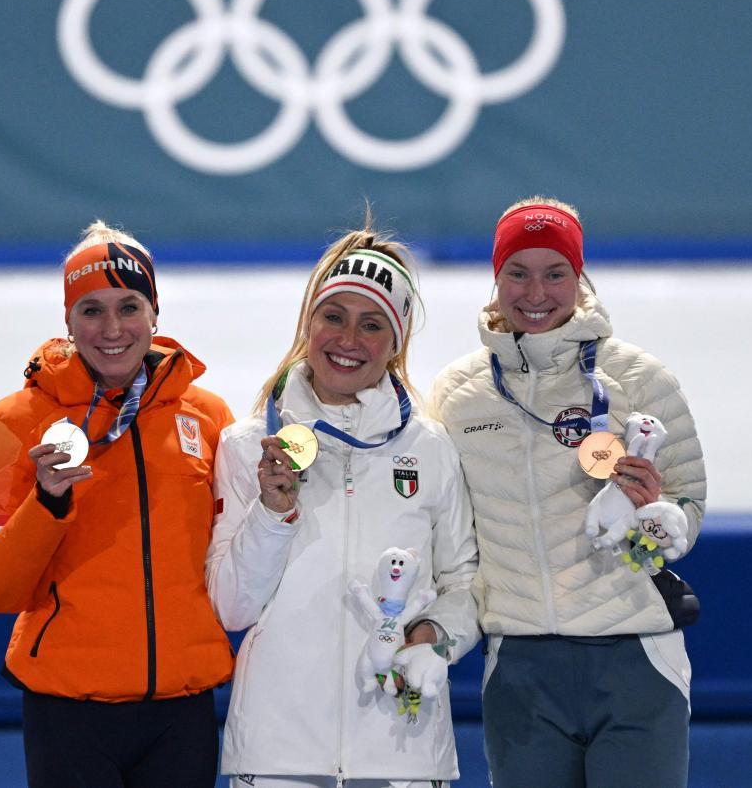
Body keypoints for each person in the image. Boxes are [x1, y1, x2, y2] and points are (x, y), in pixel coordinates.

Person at [430, 197, 707, 788]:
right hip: (521, 664)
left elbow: (688, 501)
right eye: (518, 273)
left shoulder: (638, 378)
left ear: (578, 278)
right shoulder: (457, 394)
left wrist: (660, 517)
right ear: (496, 277)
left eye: (555, 273)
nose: (536, 292)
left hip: (634, 654)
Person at [0, 221, 235, 788]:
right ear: (68, 320)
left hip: (182, 712)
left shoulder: (208, 419)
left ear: (155, 313)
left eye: (129, 307)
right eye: (91, 310)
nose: (112, 329)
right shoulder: (13, 425)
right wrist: (46, 502)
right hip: (69, 715)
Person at [206, 223, 480, 787]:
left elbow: (466, 581)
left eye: (372, 324)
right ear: (308, 324)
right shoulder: (247, 446)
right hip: (277, 758)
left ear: (396, 341)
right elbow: (232, 609)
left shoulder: (431, 449)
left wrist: (435, 639)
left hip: (402, 751)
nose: (348, 339)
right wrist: (272, 515)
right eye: (334, 316)